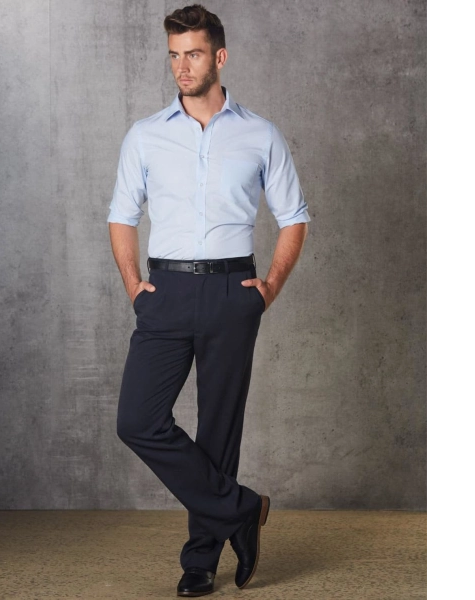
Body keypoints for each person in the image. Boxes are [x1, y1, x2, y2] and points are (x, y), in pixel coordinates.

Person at [107, 4, 309, 597]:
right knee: (137, 420)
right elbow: (121, 215)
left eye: (193, 54)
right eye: (174, 55)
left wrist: (268, 288)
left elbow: (294, 217)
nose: (182, 66)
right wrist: (133, 285)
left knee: (220, 429)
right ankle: (242, 509)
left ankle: (200, 561)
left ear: (219, 57)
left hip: (231, 291)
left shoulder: (260, 134)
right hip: (164, 291)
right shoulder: (145, 134)